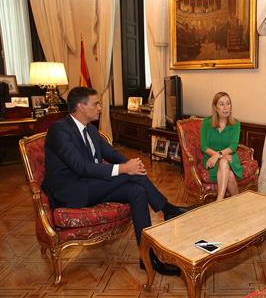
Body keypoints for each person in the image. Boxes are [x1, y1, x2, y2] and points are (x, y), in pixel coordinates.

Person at [42, 87, 187, 276]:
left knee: (137, 191)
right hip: (71, 191)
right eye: (96, 104)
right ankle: (168, 209)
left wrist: (131, 163)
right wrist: (126, 169)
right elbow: (81, 167)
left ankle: (147, 257)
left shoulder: (92, 130)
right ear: (80, 106)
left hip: (93, 185)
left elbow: (113, 154)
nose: (100, 108)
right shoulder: (59, 130)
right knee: (129, 174)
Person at [200, 91, 242, 201]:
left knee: (224, 162)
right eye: (221, 104)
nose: (226, 107)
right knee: (229, 175)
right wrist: (218, 156)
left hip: (230, 158)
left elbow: (233, 147)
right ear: (215, 107)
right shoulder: (206, 123)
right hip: (211, 161)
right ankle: (237, 204)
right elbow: (204, 147)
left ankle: (219, 201)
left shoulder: (236, 124)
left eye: (228, 103)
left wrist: (218, 155)